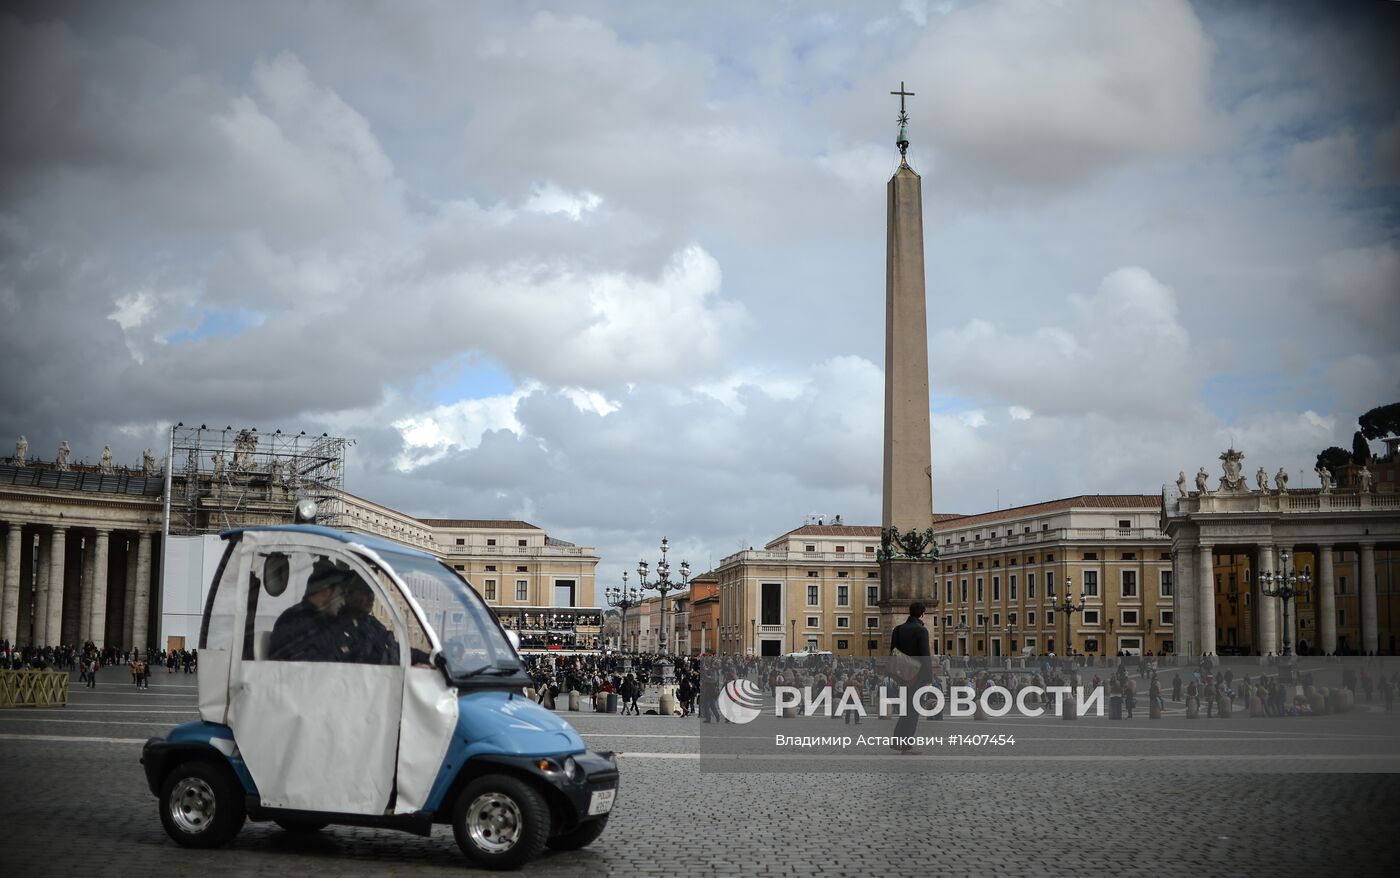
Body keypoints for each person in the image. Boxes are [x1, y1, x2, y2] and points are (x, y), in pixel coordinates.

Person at [269, 557, 351, 661]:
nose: (343, 602)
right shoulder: (292, 622)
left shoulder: (330, 622)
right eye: (341, 594)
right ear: (325, 591)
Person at [889, 602, 933, 753]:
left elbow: (893, 653)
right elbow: (925, 656)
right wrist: (928, 678)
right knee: (913, 711)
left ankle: (896, 741)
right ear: (922, 614)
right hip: (917, 677)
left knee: (906, 709)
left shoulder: (897, 629)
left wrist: (895, 675)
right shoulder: (921, 631)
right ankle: (907, 746)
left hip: (901, 676)